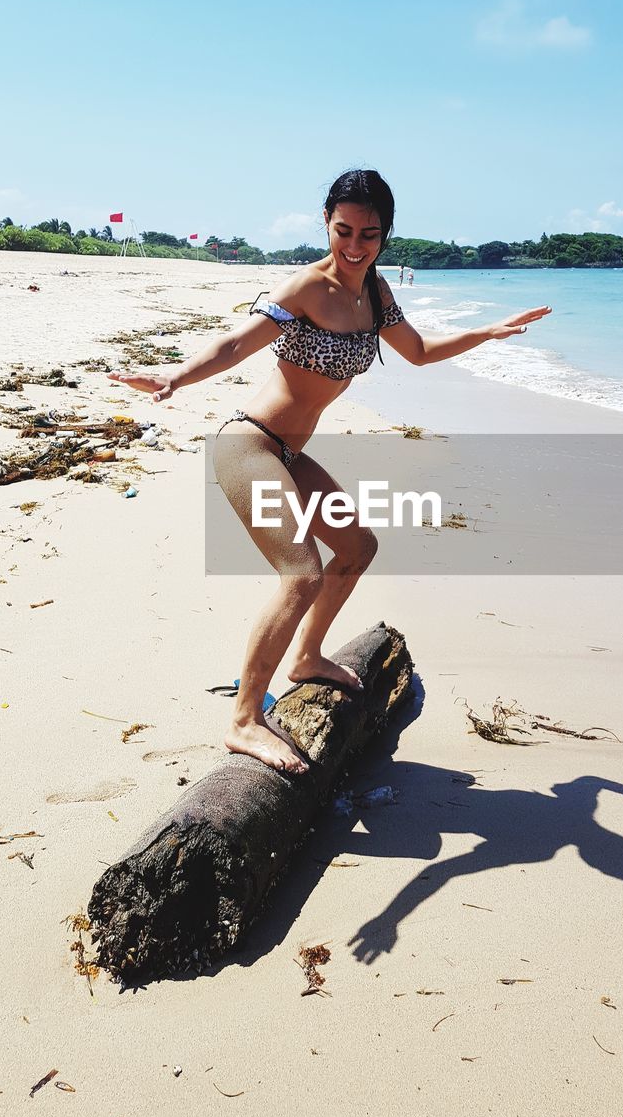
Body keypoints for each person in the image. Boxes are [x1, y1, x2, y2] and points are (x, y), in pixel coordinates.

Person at [108, 169, 550, 775]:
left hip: (289, 453)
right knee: (301, 575)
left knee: (356, 546)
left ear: (386, 233)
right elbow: (237, 344)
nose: (355, 245)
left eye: (369, 233)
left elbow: (418, 353)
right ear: (326, 224)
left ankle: (308, 656)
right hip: (250, 445)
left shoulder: (377, 295)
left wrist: (485, 332)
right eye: (344, 230)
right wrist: (175, 377)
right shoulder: (305, 289)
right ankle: (243, 721)